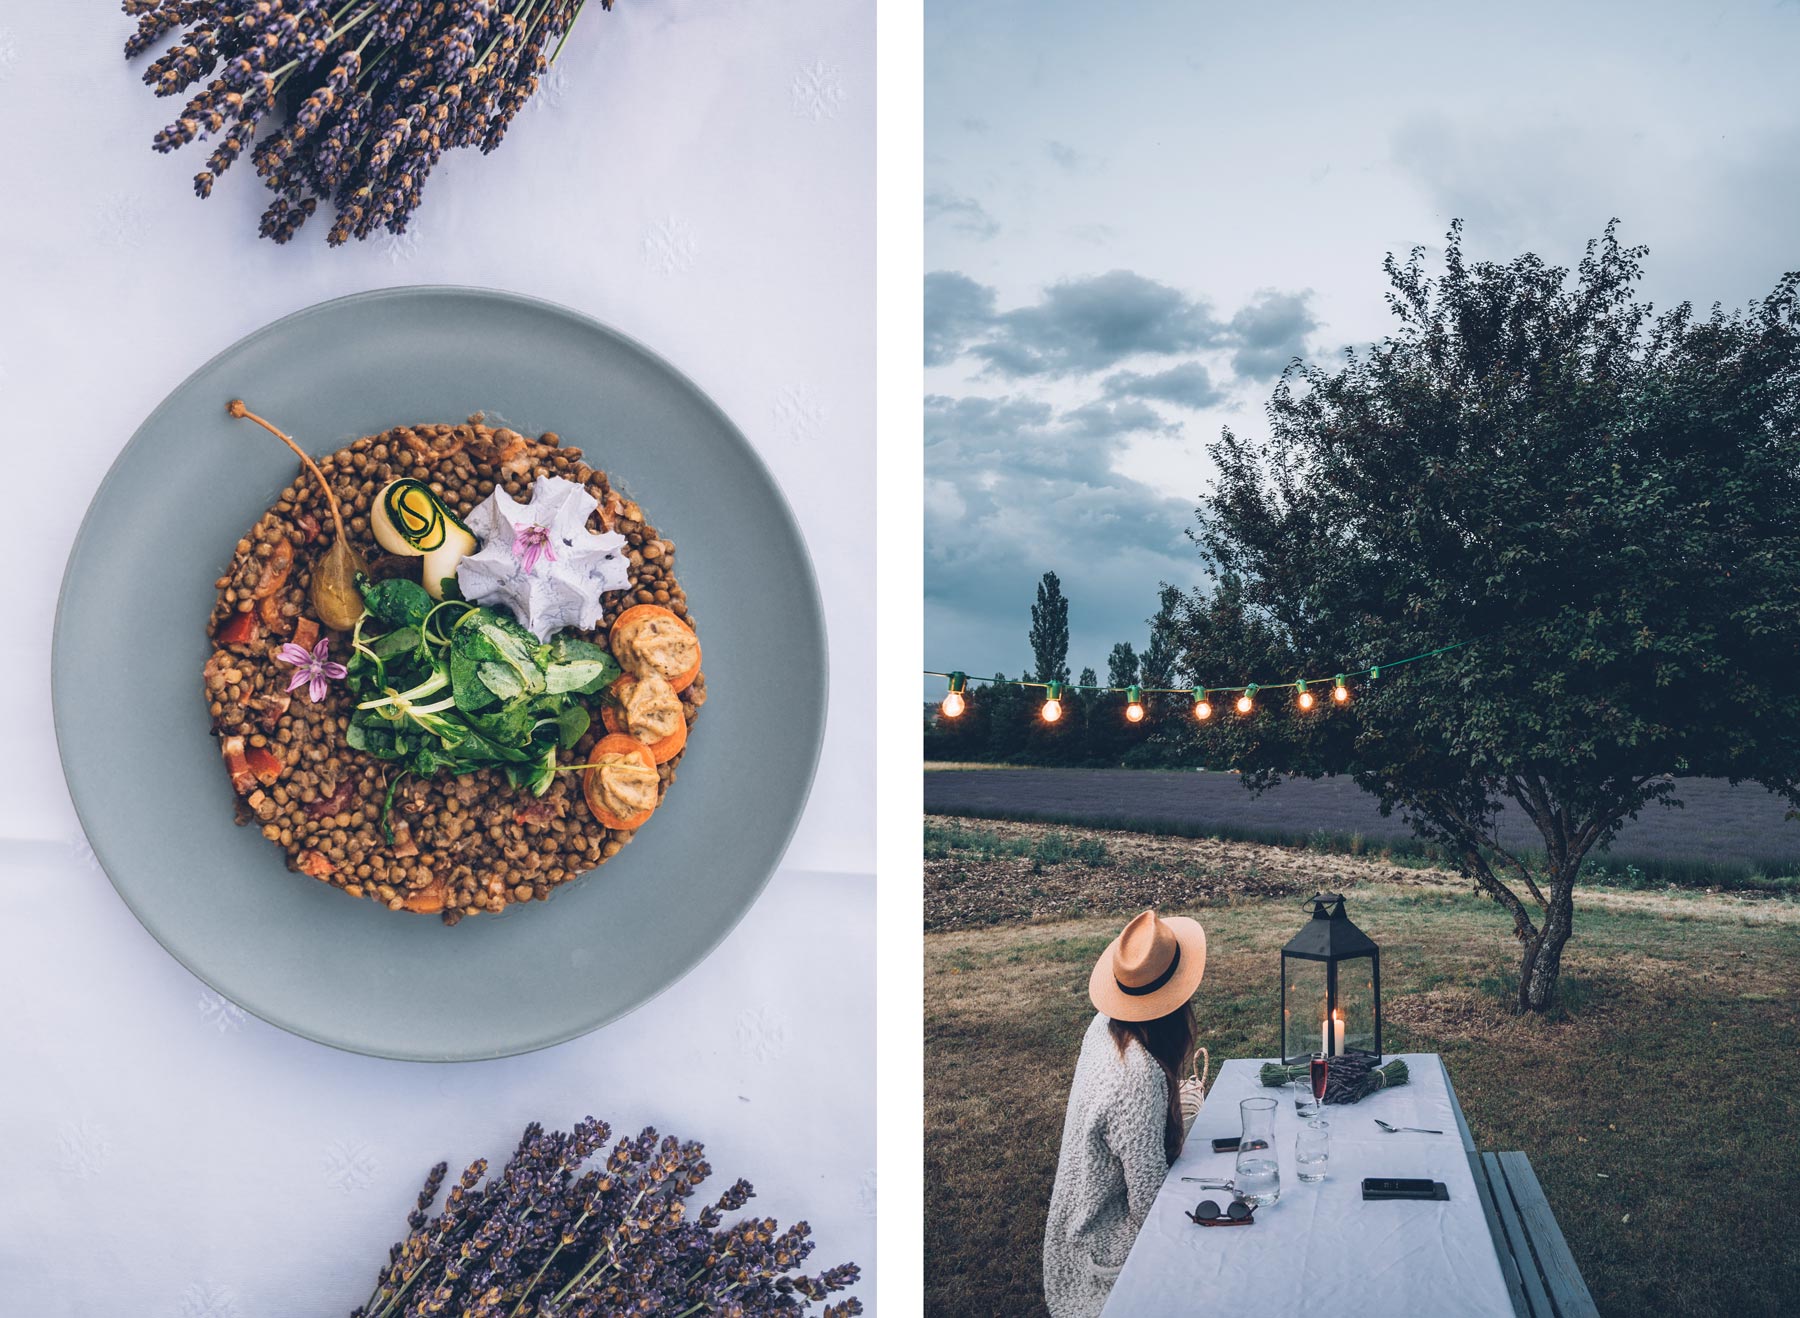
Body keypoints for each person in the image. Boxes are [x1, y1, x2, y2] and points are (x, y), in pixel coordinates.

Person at [1042, 908, 1207, 1318]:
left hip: (1072, 1222)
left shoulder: (1105, 1024)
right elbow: (1151, 1204)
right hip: (1100, 1246)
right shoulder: (1138, 1076)